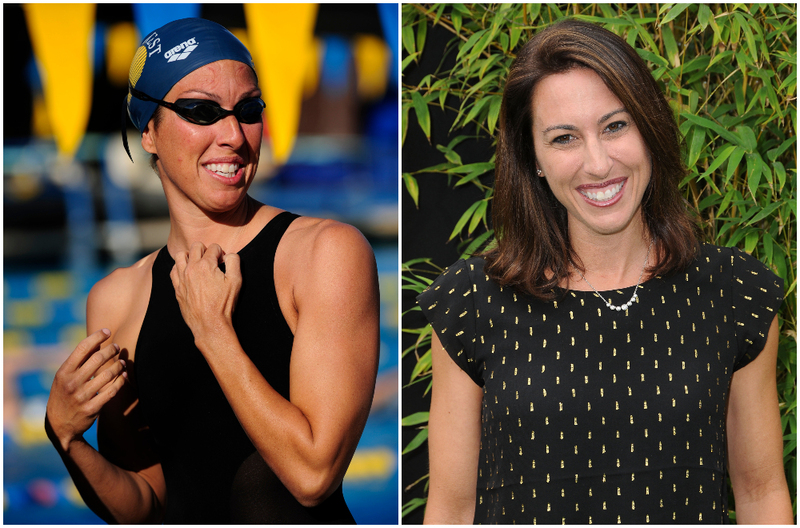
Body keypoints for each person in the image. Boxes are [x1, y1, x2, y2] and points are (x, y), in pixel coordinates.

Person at [418, 19, 792, 524]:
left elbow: (761, 493)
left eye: (616, 126)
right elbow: (451, 510)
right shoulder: (473, 302)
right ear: (534, 159)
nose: (597, 164)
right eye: (565, 138)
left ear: (649, 129)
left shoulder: (733, 292)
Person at [44, 17, 380, 524]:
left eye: (248, 110)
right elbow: (147, 506)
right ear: (149, 131)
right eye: (201, 111)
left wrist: (213, 332)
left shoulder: (323, 255)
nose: (233, 136)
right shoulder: (115, 299)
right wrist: (67, 439)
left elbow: (313, 478)